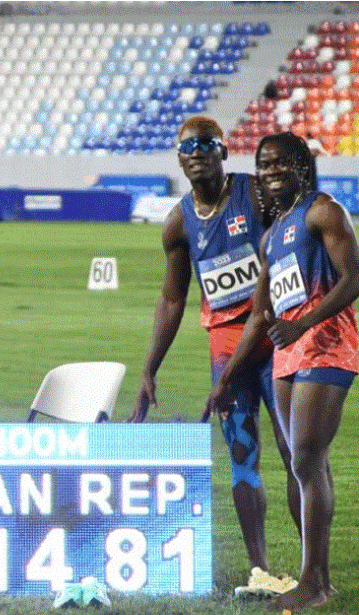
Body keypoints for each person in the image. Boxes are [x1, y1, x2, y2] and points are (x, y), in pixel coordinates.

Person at [128, 116, 300, 588]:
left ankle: (311, 570)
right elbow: (171, 299)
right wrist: (149, 371)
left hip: (278, 344)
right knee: (243, 455)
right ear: (180, 158)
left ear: (223, 151)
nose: (197, 152)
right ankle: (260, 568)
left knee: (294, 453)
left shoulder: (257, 195)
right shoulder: (178, 223)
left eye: (207, 144)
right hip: (227, 353)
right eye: (188, 147)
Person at [205, 132, 359, 611]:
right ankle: (317, 579)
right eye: (263, 164)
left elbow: (356, 278)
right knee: (306, 462)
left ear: (301, 165)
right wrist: (229, 375)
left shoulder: (324, 211)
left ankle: (313, 583)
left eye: (280, 163)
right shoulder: (273, 233)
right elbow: (260, 312)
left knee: (305, 461)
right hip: (289, 353)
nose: (271, 171)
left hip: (326, 346)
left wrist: (304, 324)